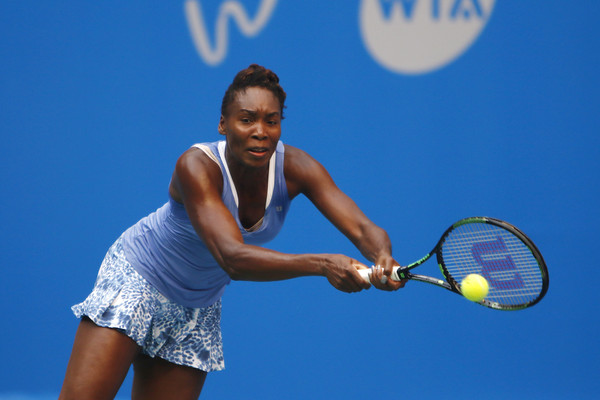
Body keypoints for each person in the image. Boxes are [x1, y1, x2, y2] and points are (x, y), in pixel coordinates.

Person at [59, 64, 406, 400]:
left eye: (272, 121)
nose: (260, 131)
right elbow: (232, 258)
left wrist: (382, 257)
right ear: (223, 125)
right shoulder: (195, 166)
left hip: (197, 306)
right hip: (138, 280)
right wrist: (323, 264)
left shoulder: (297, 168)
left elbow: (362, 228)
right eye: (246, 119)